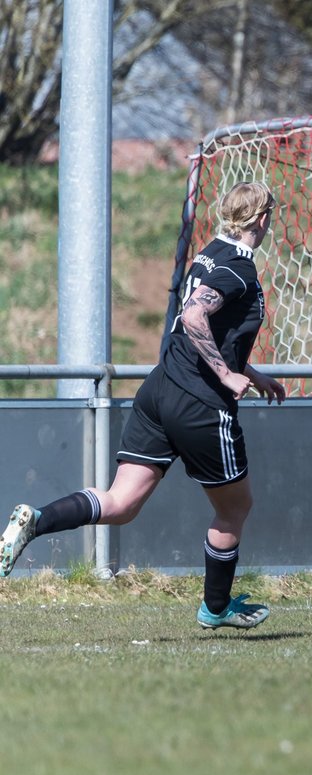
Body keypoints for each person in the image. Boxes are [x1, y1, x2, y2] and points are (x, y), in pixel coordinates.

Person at [0, 181, 286, 630]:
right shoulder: (239, 270)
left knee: (121, 502)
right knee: (234, 509)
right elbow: (194, 316)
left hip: (159, 391)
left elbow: (218, 331)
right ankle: (215, 607)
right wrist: (229, 376)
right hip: (200, 405)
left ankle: (36, 520)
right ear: (263, 219)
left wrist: (251, 372)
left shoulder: (211, 250)